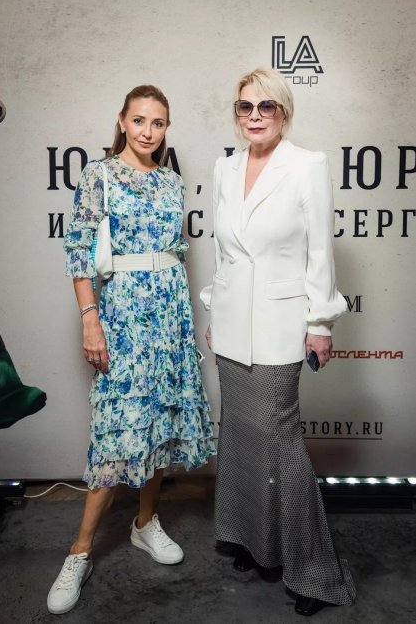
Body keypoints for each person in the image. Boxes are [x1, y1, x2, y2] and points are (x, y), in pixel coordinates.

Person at [47, 84, 216, 615]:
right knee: (117, 433)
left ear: (167, 128)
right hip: (121, 317)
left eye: (158, 122)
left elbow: (176, 254)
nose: (148, 131)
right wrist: (90, 320)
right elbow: (79, 251)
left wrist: (185, 323)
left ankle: (145, 523)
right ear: (122, 121)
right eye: (139, 120)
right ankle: (79, 553)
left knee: (159, 424)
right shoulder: (98, 175)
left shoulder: (171, 181)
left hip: (169, 317)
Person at [201, 68, 356, 617]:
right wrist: (216, 306)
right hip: (231, 328)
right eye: (245, 106)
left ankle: (312, 570)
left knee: (281, 447)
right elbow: (223, 252)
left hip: (281, 326)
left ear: (284, 113)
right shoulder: (225, 167)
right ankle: (254, 543)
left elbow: (320, 251)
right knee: (242, 439)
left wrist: (321, 323)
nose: (255, 116)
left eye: (266, 106)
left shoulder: (307, 165)